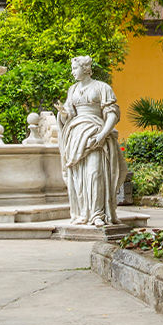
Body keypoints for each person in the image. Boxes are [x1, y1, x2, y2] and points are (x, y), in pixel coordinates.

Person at [58, 55, 125, 227]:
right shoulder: (72, 90)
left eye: (74, 68)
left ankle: (98, 214)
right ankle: (82, 213)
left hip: (95, 133)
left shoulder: (102, 87)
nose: (72, 72)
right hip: (76, 136)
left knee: (95, 174)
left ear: (85, 68)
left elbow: (112, 114)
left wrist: (102, 134)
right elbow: (70, 115)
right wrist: (63, 114)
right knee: (78, 177)